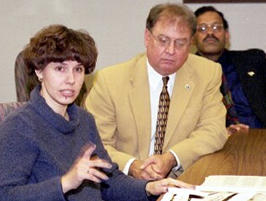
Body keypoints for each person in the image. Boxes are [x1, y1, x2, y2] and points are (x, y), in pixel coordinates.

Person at [0, 24, 194, 201]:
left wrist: (150, 187)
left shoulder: (83, 119)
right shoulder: (19, 125)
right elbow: (5, 194)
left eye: (78, 69)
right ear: (39, 72)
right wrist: (66, 182)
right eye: (60, 68)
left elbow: (109, 181)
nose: (71, 79)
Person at [85, 3, 228, 181]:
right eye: (163, 40)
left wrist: (172, 158)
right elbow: (95, 144)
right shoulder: (110, 80)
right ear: (147, 37)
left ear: (191, 43)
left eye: (180, 43)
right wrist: (132, 166)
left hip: (183, 180)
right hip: (126, 184)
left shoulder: (207, 73)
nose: (170, 50)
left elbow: (214, 131)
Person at [193, 6, 266, 134]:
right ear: (192, 38)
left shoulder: (253, 60)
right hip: (215, 142)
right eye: (202, 28)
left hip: (260, 135)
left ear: (226, 35)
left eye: (216, 27)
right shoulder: (185, 72)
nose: (210, 33)